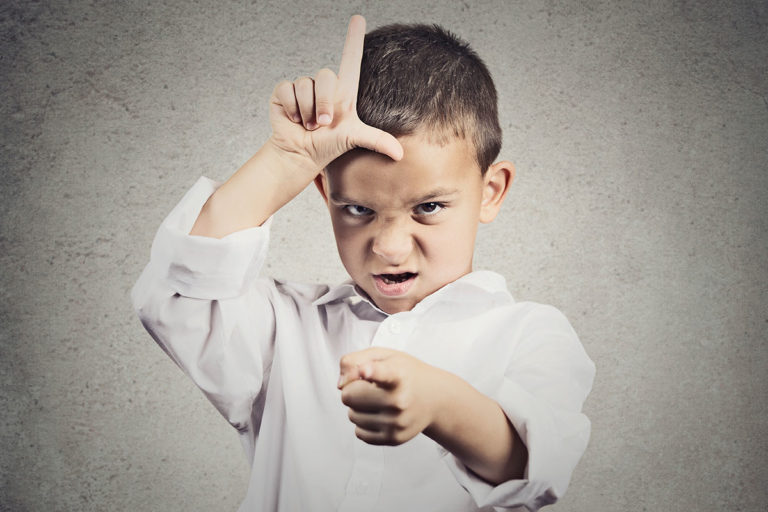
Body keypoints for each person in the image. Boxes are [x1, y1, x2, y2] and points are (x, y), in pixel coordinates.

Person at [132, 15, 595, 512]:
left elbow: (532, 469)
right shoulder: (282, 327)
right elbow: (182, 295)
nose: (391, 248)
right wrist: (285, 158)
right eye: (359, 210)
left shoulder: (532, 333)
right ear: (325, 192)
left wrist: (438, 403)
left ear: (491, 191)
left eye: (429, 207)